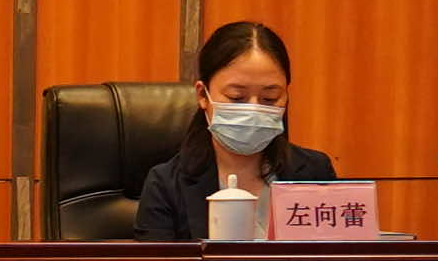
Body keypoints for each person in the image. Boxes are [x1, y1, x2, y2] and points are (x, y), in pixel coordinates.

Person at [130, 20, 337, 240]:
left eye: (270, 98)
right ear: (202, 95)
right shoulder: (166, 185)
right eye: (237, 98)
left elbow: (339, 255)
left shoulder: (315, 173)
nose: (253, 109)